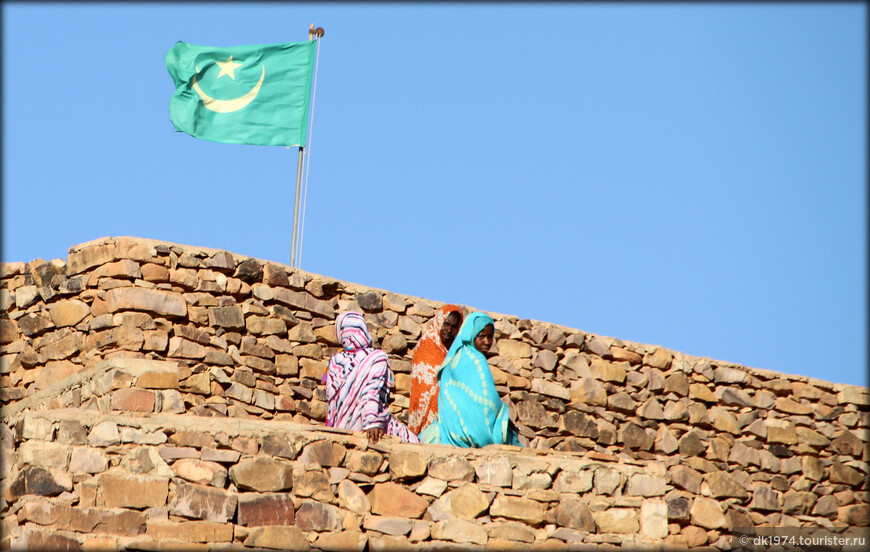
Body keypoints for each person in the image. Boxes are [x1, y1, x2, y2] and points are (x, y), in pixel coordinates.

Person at [419, 312, 521, 447]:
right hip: (472, 433)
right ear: (472, 335)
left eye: (490, 336)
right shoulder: (477, 360)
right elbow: (488, 402)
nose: (487, 342)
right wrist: (503, 418)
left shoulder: (457, 355)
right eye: (482, 336)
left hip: (448, 429)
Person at [324, 311, 421, 444]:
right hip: (369, 425)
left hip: (339, 427)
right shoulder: (376, 357)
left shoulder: (335, 361)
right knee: (414, 443)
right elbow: (372, 391)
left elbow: (332, 404)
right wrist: (371, 422)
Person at [408, 305, 463, 435]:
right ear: (439, 321)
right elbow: (422, 387)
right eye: (446, 324)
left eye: (454, 327)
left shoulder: (455, 352)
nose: (449, 330)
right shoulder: (426, 346)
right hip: (425, 414)